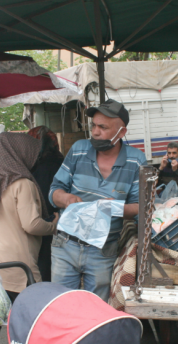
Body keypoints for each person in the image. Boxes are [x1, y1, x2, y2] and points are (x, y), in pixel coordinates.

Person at [0, 132, 59, 344]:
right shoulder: (22, 183)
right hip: (17, 265)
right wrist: (55, 223)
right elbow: (32, 224)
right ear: (20, 154)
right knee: (22, 322)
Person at [49, 99, 146, 301]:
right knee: (62, 306)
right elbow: (54, 191)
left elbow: (140, 207)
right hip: (66, 244)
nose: (95, 132)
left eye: (103, 127)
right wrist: (66, 198)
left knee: (95, 310)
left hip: (103, 251)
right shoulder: (78, 150)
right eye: (93, 125)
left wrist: (113, 208)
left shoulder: (136, 160)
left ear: (121, 133)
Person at [26, 126, 65, 282]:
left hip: (42, 223)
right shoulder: (63, 163)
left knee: (42, 267)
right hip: (62, 222)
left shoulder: (32, 167)